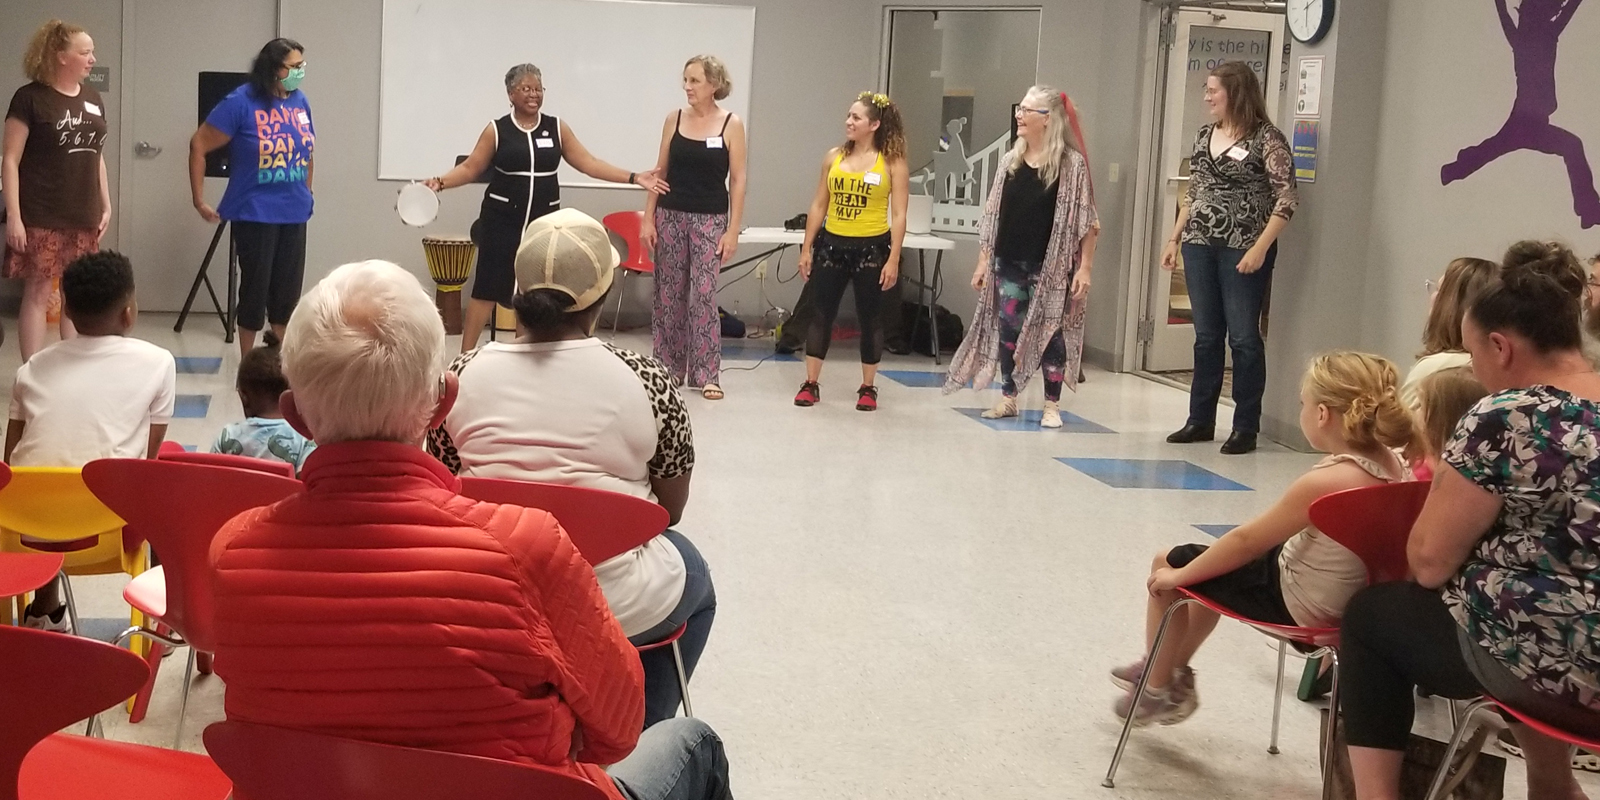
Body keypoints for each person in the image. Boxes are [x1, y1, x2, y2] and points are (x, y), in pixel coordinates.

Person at [210, 259, 733, 800]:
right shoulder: (526, 546)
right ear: (442, 403)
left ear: (295, 416)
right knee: (692, 741)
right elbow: (620, 729)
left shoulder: (232, 551)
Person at [428, 209, 715, 729]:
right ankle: (634, 733)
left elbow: (445, 488)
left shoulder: (461, 375)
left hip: (490, 596)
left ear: (517, 289)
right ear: (601, 295)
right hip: (614, 603)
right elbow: (668, 513)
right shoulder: (648, 379)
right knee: (694, 571)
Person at [1339, 241, 1600, 800]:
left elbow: (1430, 562)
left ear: (1500, 347)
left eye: (1474, 353)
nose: (1475, 371)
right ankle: (1551, 784)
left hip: (1561, 675)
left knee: (1372, 618)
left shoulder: (1505, 416)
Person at [1110, 352, 1413, 725]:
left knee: (1169, 564)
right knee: (1213, 567)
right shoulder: (1398, 465)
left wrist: (1177, 577)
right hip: (1349, 601)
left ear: (1322, 414)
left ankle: (1155, 690)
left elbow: (1247, 542)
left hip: (1299, 603)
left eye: (1303, 404)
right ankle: (1170, 667)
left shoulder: (1328, 481)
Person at [425, 64, 666, 354]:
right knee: (486, 290)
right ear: (511, 93)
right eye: (526, 89)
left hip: (543, 226)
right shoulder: (497, 130)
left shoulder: (556, 127)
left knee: (532, 292)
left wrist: (634, 177)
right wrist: (441, 182)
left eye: (538, 89)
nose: (533, 94)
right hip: (500, 221)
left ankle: (522, 356)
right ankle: (464, 359)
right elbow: (470, 168)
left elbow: (589, 163)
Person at [6, 250, 175, 632]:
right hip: (109, 528)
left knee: (41, 474)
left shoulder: (30, 369)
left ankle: (44, 610)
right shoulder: (159, 362)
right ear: (129, 312)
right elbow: (147, 458)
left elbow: (10, 461)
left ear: (66, 308)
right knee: (168, 475)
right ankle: (164, 609)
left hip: (26, 532)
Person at [1161, 61, 1298, 454]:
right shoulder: (1205, 134)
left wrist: (1260, 248)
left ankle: (1245, 426)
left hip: (1244, 249)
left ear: (1235, 93)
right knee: (1206, 338)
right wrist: (1174, 238)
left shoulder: (1267, 139)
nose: (1206, 97)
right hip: (1200, 244)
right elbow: (1195, 191)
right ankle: (1200, 419)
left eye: (1212, 90)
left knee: (1243, 338)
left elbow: (1287, 198)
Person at [943, 86, 1099, 428]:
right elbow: (993, 215)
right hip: (1009, 262)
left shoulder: (1070, 166)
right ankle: (1009, 397)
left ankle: (1051, 406)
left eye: (1027, 110)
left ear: (1047, 119)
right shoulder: (1009, 162)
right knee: (1009, 330)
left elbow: (1089, 223)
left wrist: (1084, 269)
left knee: (1050, 333)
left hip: (1051, 268)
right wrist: (984, 261)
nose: (1019, 115)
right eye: (1020, 109)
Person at [189, 38, 315, 358]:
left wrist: (307, 191)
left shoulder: (300, 102)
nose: (300, 72)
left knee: (286, 295)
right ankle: (248, 362)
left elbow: (308, 151)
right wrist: (199, 199)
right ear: (274, 68)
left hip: (294, 211)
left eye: (302, 66)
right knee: (254, 291)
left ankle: (281, 362)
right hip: (254, 210)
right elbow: (199, 145)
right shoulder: (241, 102)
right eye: (294, 67)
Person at [793, 92, 910, 412]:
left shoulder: (892, 162)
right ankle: (810, 383)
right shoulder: (833, 157)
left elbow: (899, 214)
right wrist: (806, 248)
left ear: (874, 124)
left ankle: (868, 387)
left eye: (856, 118)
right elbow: (819, 204)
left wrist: (894, 258)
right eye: (848, 116)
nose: (849, 121)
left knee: (871, 317)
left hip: (871, 248)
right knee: (821, 314)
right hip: (832, 245)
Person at [640, 55, 747, 401]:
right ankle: (667, 369)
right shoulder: (674, 119)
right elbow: (660, 171)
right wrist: (648, 217)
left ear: (714, 84)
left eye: (695, 81)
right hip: (670, 215)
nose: (687, 87)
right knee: (668, 295)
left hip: (710, 220)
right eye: (685, 80)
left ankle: (706, 373)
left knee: (702, 295)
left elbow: (739, 180)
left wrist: (732, 230)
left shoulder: (731, 124)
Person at [4, 19, 110, 361]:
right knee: (37, 290)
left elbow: (97, 156)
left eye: (92, 52)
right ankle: (31, 371)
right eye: (85, 52)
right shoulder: (29, 99)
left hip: (83, 211)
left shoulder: (93, 99)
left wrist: (105, 204)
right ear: (61, 56)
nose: (92, 59)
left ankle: (71, 367)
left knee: (74, 292)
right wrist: (15, 218)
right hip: (40, 211)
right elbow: (9, 160)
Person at [210, 332, 315, 474]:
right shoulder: (304, 439)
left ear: (243, 397)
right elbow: (306, 486)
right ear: (292, 396)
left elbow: (211, 481)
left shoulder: (227, 437)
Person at [1399, 257, 1496, 411]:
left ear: (1450, 302)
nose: (1432, 296)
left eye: (1438, 289)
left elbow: (1400, 431)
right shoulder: (1494, 368)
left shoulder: (1435, 369)